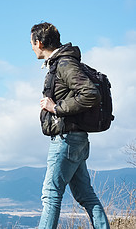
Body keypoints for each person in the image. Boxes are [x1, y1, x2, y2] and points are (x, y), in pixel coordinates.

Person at [30, 22, 109, 229]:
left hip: (66, 139)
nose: (31, 47)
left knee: (50, 194)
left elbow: (91, 94)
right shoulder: (60, 63)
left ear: (39, 42)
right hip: (76, 138)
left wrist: (56, 107)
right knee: (85, 195)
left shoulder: (65, 64)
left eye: (31, 43)